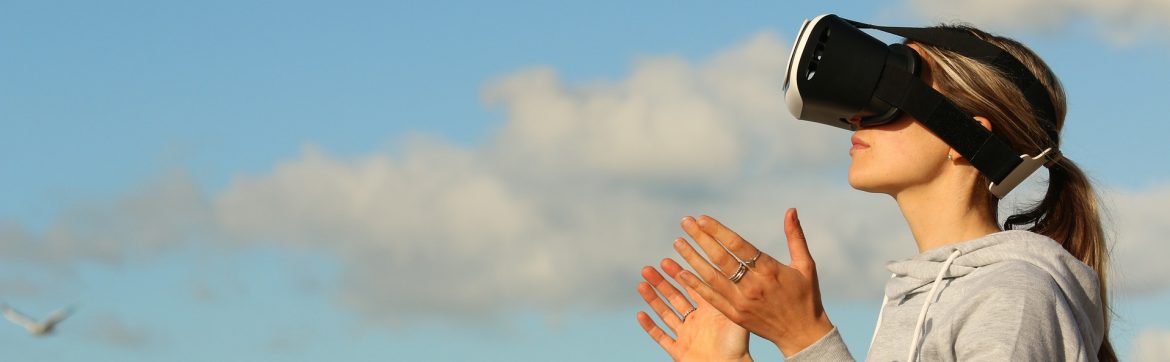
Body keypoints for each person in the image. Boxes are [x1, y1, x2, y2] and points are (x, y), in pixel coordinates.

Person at [635, 22, 1117, 361]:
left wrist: (804, 337)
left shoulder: (1011, 297)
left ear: (965, 140)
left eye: (890, 94)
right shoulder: (919, 296)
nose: (857, 115)